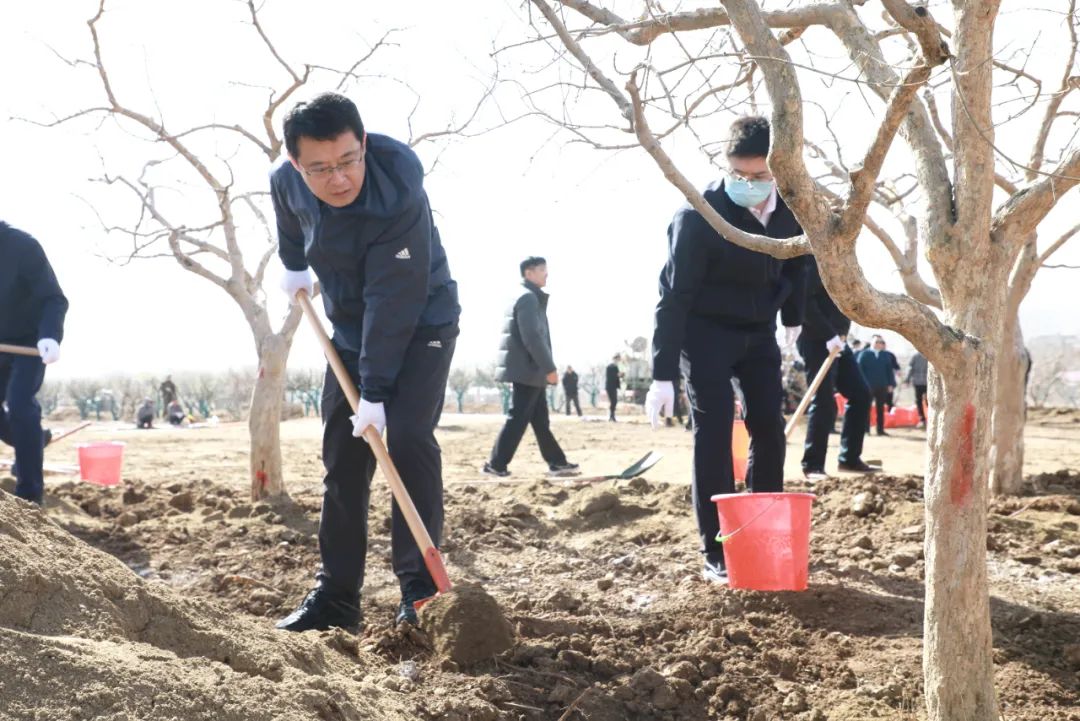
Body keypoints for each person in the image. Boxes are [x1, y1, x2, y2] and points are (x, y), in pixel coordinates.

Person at [271, 92, 460, 632]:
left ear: (364, 145)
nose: (338, 180)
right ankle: (336, 597)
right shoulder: (285, 180)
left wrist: (374, 391)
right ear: (296, 164)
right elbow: (287, 213)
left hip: (423, 319)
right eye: (320, 169)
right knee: (343, 456)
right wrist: (292, 265)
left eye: (349, 161)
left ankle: (420, 592)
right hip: (350, 330)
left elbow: (393, 299)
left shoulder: (398, 189)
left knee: (404, 439)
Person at [645, 116, 806, 585]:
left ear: (777, 169)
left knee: (769, 430)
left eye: (759, 177)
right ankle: (718, 547)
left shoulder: (792, 209)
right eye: (739, 175)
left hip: (758, 331)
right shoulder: (699, 215)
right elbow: (673, 297)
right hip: (705, 331)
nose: (749, 185)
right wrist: (662, 374)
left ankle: (762, 530)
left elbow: (801, 262)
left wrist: (792, 318)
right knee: (713, 432)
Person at [485, 257, 579, 478]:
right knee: (518, 418)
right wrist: (549, 368)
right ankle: (496, 464)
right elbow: (533, 338)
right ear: (529, 273)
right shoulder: (528, 298)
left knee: (539, 420)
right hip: (528, 370)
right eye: (542, 270)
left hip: (528, 370)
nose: (547, 274)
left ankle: (557, 462)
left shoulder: (525, 296)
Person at [0, 221, 67, 506]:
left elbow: (54, 298)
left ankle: (29, 496)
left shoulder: (23, 246)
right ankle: (34, 440)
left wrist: (50, 336)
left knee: (19, 404)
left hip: (29, 344)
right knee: (20, 426)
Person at [797, 258, 877, 479]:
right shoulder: (813, 260)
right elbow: (804, 303)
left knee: (860, 394)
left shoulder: (844, 261)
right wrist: (828, 334)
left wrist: (840, 334)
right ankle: (813, 465)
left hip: (840, 340)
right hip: (815, 338)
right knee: (824, 402)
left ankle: (849, 458)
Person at [858, 334, 900, 436]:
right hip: (868, 386)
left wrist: (891, 384)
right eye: (877, 342)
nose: (879, 344)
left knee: (881, 408)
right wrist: (861, 383)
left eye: (881, 342)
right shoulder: (864, 354)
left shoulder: (886, 355)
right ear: (872, 342)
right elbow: (859, 370)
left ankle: (880, 430)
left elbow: (889, 371)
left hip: (882, 385)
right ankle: (866, 429)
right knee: (866, 408)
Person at [906, 351, 929, 428]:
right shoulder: (929, 355)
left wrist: (907, 379)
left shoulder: (915, 356)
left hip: (919, 382)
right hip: (927, 382)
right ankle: (927, 418)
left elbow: (910, 368)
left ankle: (922, 419)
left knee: (919, 401)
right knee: (928, 401)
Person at [605, 355, 622, 422]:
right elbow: (612, 376)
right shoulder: (610, 367)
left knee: (614, 401)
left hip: (613, 386)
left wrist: (620, 375)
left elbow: (617, 376)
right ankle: (611, 416)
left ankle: (612, 415)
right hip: (610, 386)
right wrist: (618, 375)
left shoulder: (615, 367)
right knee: (613, 401)